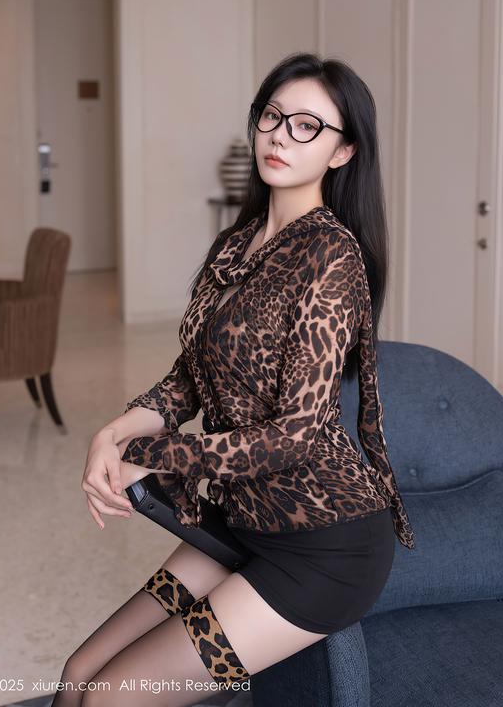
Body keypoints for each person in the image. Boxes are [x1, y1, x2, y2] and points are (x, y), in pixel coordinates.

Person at [51, 52, 415, 707]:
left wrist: (152, 453)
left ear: (342, 152)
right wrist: (114, 432)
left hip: (322, 551)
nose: (281, 135)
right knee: (79, 674)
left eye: (308, 125)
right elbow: (189, 381)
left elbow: (295, 437)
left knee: (114, 694)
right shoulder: (234, 244)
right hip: (241, 521)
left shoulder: (332, 256)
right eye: (272, 116)